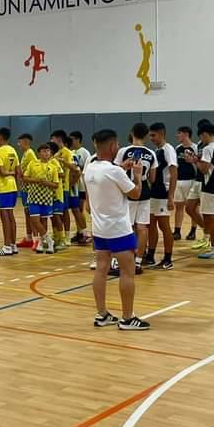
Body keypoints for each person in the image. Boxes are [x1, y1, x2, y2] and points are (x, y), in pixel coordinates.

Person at [85, 128, 148, 331]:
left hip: (99, 228)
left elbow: (108, 175)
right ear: (112, 146)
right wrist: (137, 175)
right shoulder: (115, 172)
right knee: (127, 272)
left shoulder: (90, 168)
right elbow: (136, 194)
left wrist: (121, 167)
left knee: (101, 269)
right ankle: (128, 318)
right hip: (119, 229)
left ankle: (102, 314)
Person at [113, 123, 157, 275]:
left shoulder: (123, 151)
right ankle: (138, 262)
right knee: (142, 227)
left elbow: (116, 172)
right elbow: (152, 178)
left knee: (127, 227)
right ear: (146, 135)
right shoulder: (151, 153)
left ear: (131, 133)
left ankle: (125, 260)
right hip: (145, 191)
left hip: (129, 191)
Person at [143, 123, 179, 270]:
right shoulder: (157, 151)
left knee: (164, 227)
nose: (151, 138)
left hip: (163, 194)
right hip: (154, 193)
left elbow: (174, 173)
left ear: (161, 134)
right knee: (151, 225)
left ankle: (168, 258)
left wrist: (171, 196)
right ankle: (150, 256)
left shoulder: (168, 150)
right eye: (150, 135)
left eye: (153, 135)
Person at [192, 120, 214, 260]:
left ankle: (213, 249)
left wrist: (195, 161)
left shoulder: (208, 149)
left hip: (209, 185)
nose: (201, 140)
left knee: (210, 217)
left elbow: (204, 169)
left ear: (205, 134)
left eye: (201, 136)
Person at [23, 143, 59, 254]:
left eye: (48, 151)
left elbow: (56, 184)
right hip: (34, 196)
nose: (46, 153)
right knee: (34, 219)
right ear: (39, 153)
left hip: (46, 197)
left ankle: (42, 243)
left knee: (44, 220)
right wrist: (36, 180)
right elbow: (25, 178)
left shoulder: (53, 167)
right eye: (44, 151)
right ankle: (49, 240)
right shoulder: (33, 164)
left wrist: (47, 183)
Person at [0, 128, 19, 257]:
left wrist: (10, 173)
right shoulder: (12, 150)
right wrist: (14, 173)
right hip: (13, 186)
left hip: (4, 187)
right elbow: (18, 170)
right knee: (11, 216)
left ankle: (7, 246)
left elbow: (2, 172)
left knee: (5, 217)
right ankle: (13, 245)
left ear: (0, 137)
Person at [172, 126, 202, 241]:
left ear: (186, 134)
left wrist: (192, 161)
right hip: (179, 180)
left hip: (191, 181)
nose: (177, 135)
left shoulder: (195, 147)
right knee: (178, 206)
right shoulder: (178, 148)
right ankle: (177, 231)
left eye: (179, 133)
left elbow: (199, 166)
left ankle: (193, 230)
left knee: (193, 207)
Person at [51, 130, 78, 250]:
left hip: (64, 187)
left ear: (59, 139)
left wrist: (64, 162)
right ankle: (57, 235)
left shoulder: (67, 152)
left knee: (65, 211)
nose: (52, 141)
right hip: (54, 187)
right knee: (55, 214)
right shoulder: (54, 153)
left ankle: (67, 236)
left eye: (53, 139)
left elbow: (75, 168)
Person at [69, 131, 92, 244]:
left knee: (79, 209)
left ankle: (85, 233)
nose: (71, 141)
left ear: (78, 139)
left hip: (81, 185)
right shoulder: (71, 152)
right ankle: (79, 232)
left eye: (72, 139)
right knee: (75, 210)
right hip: (74, 186)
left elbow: (86, 169)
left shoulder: (84, 152)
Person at [16, 133, 38, 248]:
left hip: (29, 189)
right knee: (27, 213)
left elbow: (35, 168)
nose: (18, 145)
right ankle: (29, 237)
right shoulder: (24, 154)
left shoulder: (30, 154)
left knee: (32, 213)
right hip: (24, 188)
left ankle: (36, 238)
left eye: (19, 142)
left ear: (25, 142)